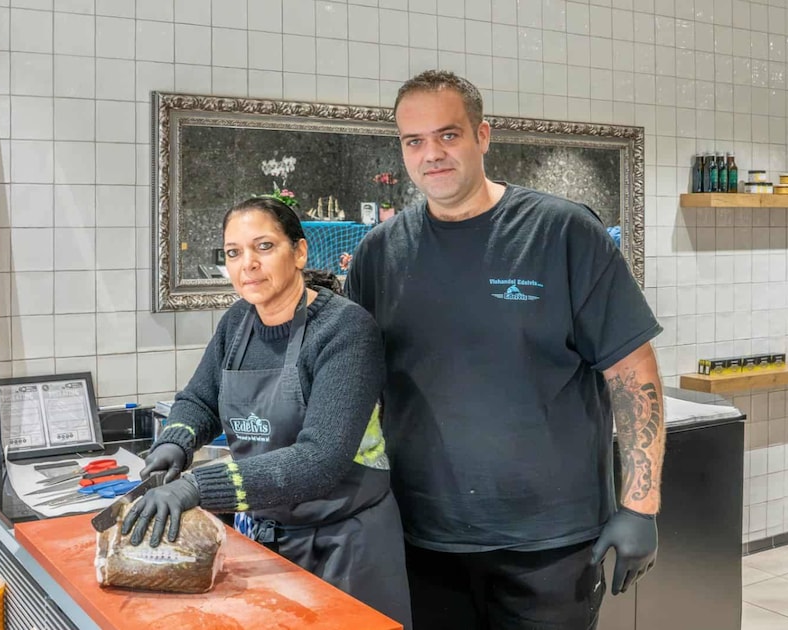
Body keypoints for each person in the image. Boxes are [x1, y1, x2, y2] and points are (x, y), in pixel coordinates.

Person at [345, 70, 666, 629]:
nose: (431, 154)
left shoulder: (562, 233)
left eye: (448, 135)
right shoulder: (378, 254)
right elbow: (355, 384)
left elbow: (630, 371)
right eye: (413, 141)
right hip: (424, 536)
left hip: (551, 544)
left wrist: (641, 504)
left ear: (483, 136)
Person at [121, 196, 413, 626]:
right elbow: (200, 399)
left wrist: (197, 487)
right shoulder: (238, 322)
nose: (247, 264)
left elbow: (320, 459)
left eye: (264, 247)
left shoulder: (345, 330)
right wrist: (175, 441)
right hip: (265, 539)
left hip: (343, 546)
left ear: (299, 252)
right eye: (234, 253)